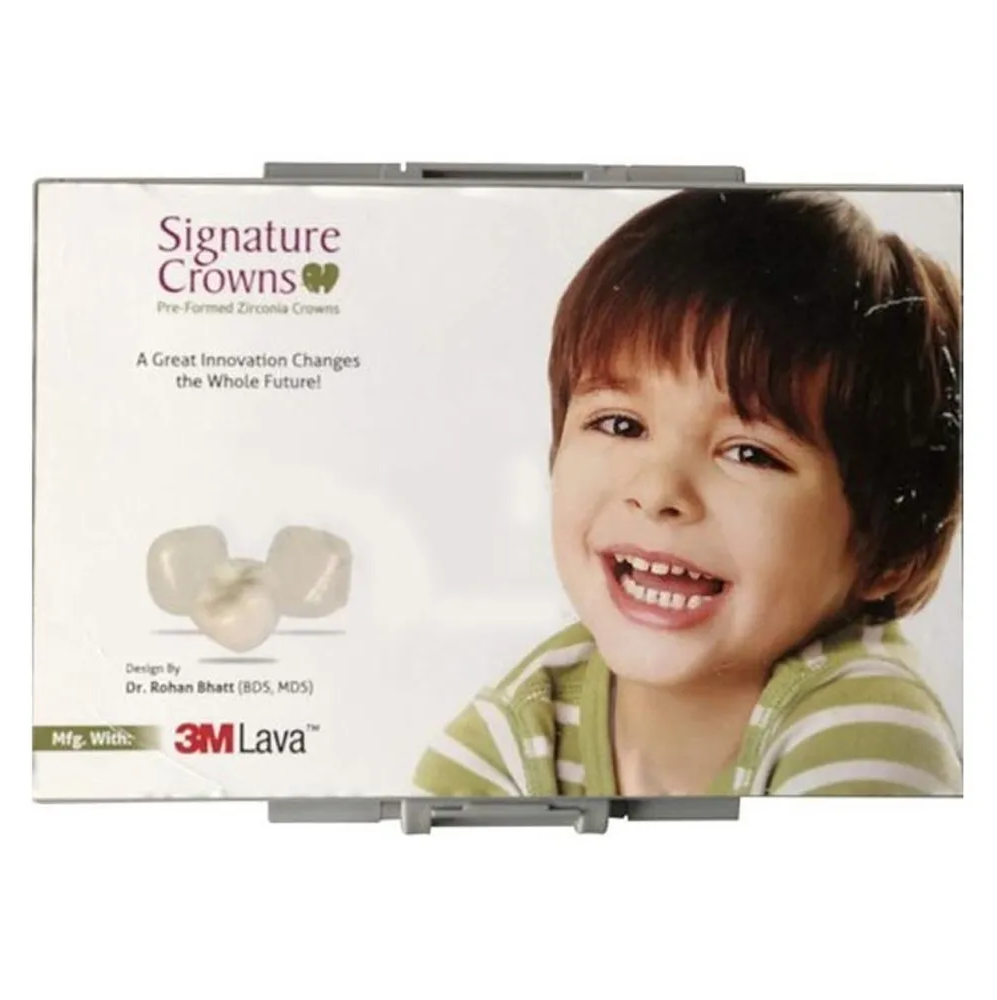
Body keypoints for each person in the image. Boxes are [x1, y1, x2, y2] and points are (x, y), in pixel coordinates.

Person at [413, 188, 963, 797]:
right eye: (620, 424)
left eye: (749, 453)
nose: (657, 491)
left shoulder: (868, 731)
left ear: (890, 553)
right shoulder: (513, 735)